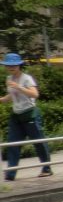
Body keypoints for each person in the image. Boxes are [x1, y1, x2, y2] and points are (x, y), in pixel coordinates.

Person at [1, 53, 52, 181]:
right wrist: (2, 99)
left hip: (30, 113)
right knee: (13, 143)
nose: (11, 67)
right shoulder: (9, 78)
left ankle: (46, 168)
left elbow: (35, 94)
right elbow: (11, 96)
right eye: (8, 65)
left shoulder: (27, 78)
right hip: (16, 114)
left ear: (19, 65)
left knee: (38, 142)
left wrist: (19, 87)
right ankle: (11, 173)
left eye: (14, 65)